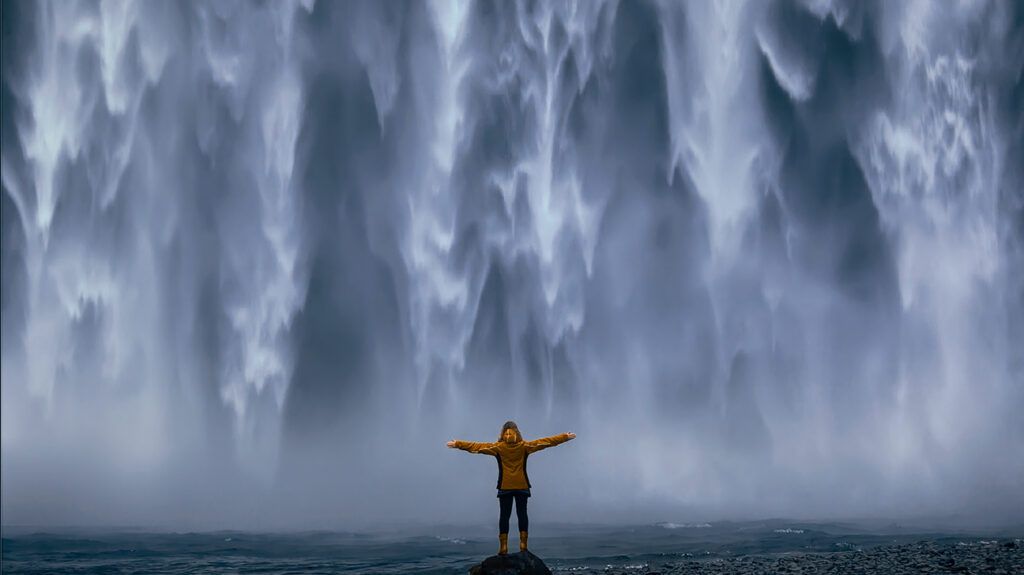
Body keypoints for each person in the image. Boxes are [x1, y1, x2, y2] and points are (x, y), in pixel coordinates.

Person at [447, 421, 576, 555]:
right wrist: (564, 437)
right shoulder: (524, 446)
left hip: (505, 486)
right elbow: (545, 442)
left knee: (504, 516)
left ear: (502, 434)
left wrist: (458, 444)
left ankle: (503, 547)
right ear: (518, 433)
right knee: (522, 514)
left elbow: (476, 447)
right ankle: (523, 545)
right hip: (522, 485)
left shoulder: (498, 447)